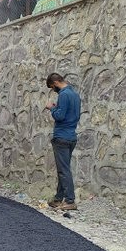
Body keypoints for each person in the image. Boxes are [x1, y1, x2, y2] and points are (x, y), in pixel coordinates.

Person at [44, 73, 81, 211]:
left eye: (53, 87)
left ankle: (70, 200)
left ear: (55, 82)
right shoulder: (75, 95)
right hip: (71, 136)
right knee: (63, 168)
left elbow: (60, 116)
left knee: (64, 170)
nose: (54, 90)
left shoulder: (64, 95)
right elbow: (74, 115)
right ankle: (58, 198)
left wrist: (51, 108)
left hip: (62, 136)